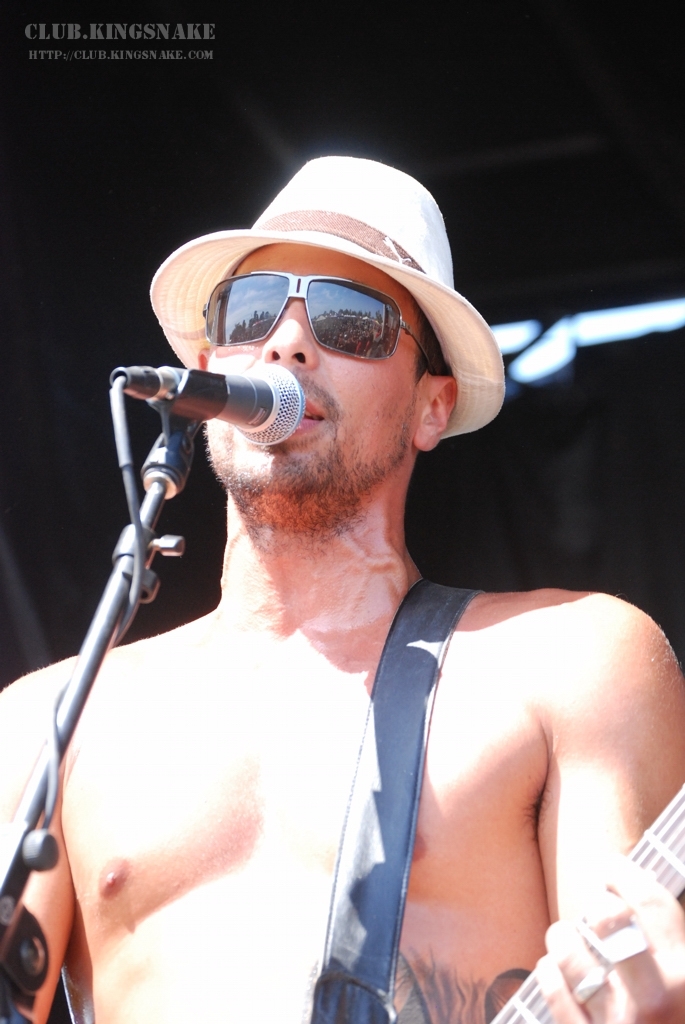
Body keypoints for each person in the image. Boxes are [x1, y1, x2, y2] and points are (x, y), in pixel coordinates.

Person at [1, 156, 685, 1024]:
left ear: (431, 406)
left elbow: (628, 987)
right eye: (251, 311)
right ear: (207, 365)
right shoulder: (52, 722)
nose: (286, 342)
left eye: (349, 320)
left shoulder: (570, 665)